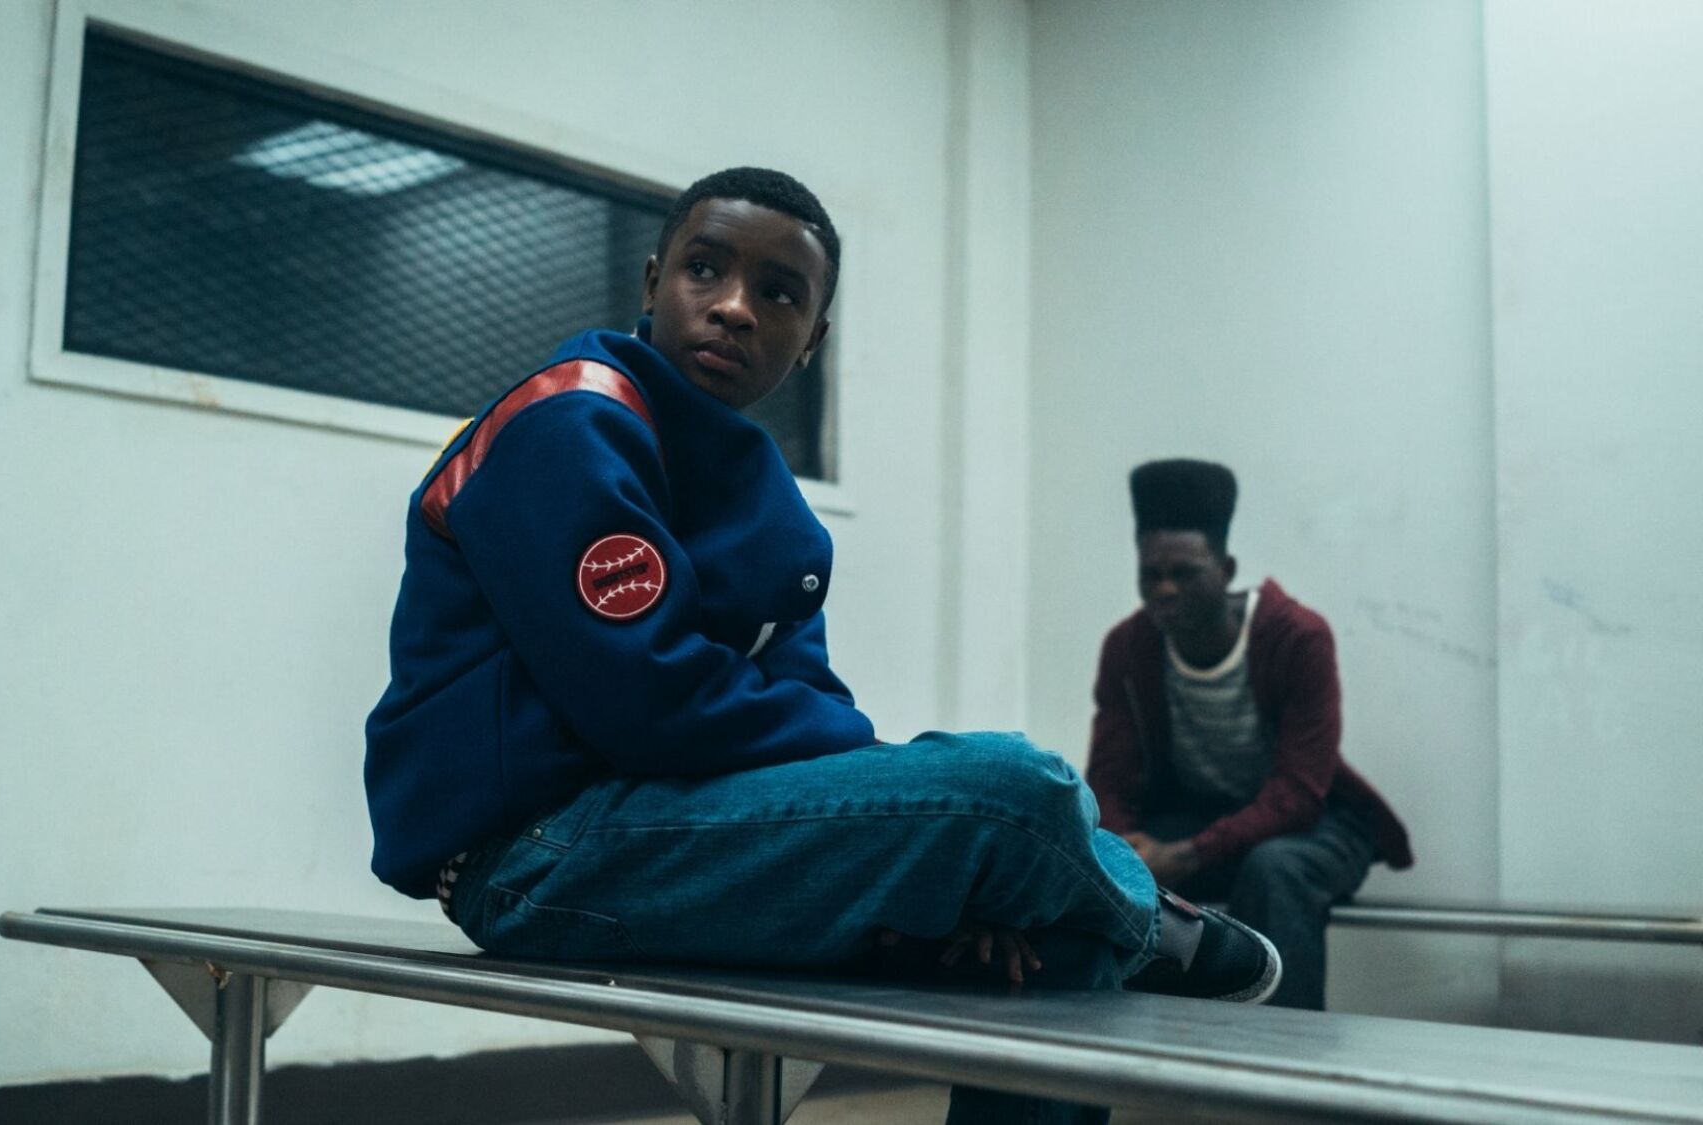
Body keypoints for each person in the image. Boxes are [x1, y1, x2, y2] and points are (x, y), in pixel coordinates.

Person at [364, 168, 1280, 1125]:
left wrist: (937, 855)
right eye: (704, 270)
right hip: (533, 856)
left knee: (1044, 934)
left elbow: (807, 703)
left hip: (672, 828)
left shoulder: (774, 513)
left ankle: (1097, 917)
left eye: (779, 293)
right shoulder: (568, 421)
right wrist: (926, 813)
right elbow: (651, 702)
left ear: (814, 339)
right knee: (1021, 793)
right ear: (649, 283)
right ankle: (1149, 921)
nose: (733, 308)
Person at [1085, 459, 1414, 1011]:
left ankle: (1287, 1073)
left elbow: (1299, 792)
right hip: (1202, 821)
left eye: (1184, 572)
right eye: (1150, 575)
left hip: (1317, 823)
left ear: (1226, 567)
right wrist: (1127, 849)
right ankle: (1118, 1058)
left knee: (1275, 870)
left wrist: (1189, 855)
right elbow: (1109, 780)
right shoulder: (1128, 646)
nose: (1163, 589)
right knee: (1099, 859)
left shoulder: (1295, 636)